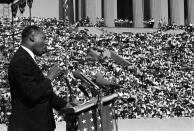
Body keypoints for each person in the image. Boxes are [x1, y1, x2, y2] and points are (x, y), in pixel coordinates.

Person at [8, 25, 74, 131]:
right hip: (28, 127)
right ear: (32, 37)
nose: (46, 42)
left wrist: (66, 105)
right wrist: (49, 78)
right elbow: (32, 94)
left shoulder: (27, 58)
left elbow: (44, 94)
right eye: (43, 38)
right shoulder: (20, 60)